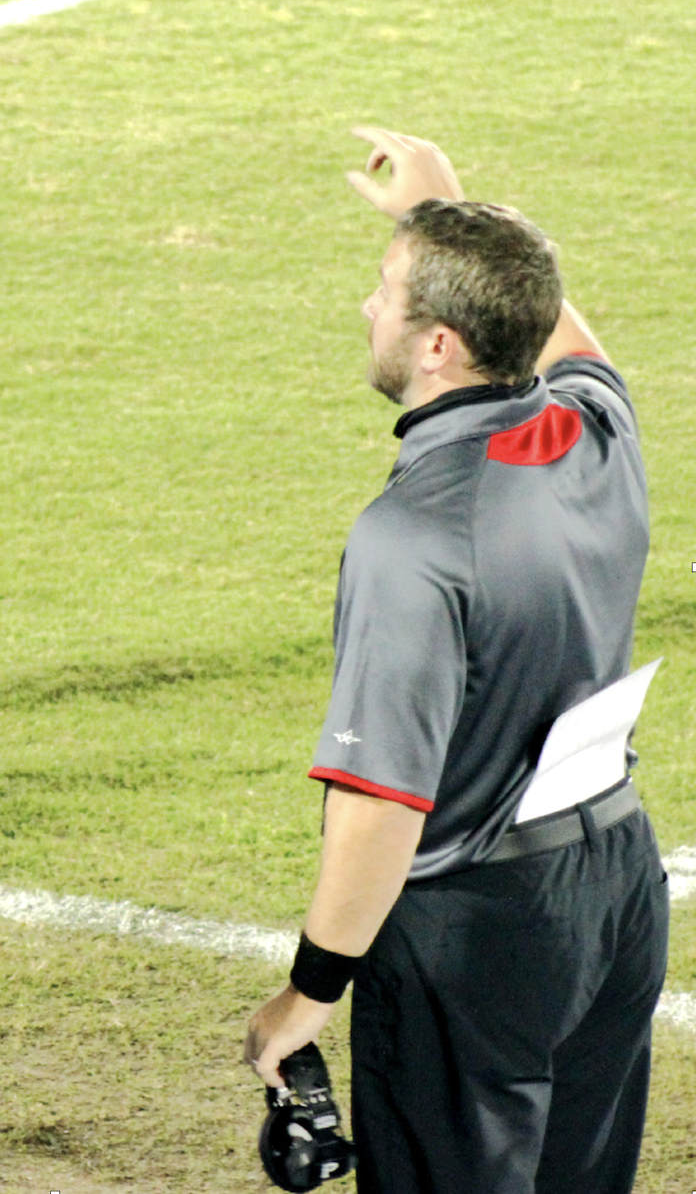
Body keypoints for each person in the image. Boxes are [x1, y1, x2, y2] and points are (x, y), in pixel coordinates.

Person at [244, 128, 668, 1194]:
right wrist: (441, 214)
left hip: (475, 934)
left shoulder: (411, 538)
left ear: (435, 345)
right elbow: (565, 339)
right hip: (614, 895)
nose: (366, 309)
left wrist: (311, 989)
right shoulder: (592, 429)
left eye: (386, 292)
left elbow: (380, 806)